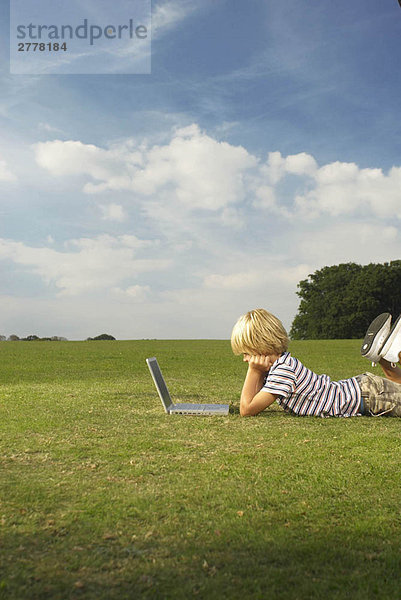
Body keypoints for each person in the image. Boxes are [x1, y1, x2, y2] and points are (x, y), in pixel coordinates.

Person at [231, 309, 401, 418]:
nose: (245, 359)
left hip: (371, 396)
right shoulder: (282, 364)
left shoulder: (282, 372)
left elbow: (247, 409)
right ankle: (382, 356)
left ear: (261, 347)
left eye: (247, 353)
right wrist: (258, 370)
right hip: (365, 390)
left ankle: (388, 353)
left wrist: (253, 371)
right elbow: (253, 398)